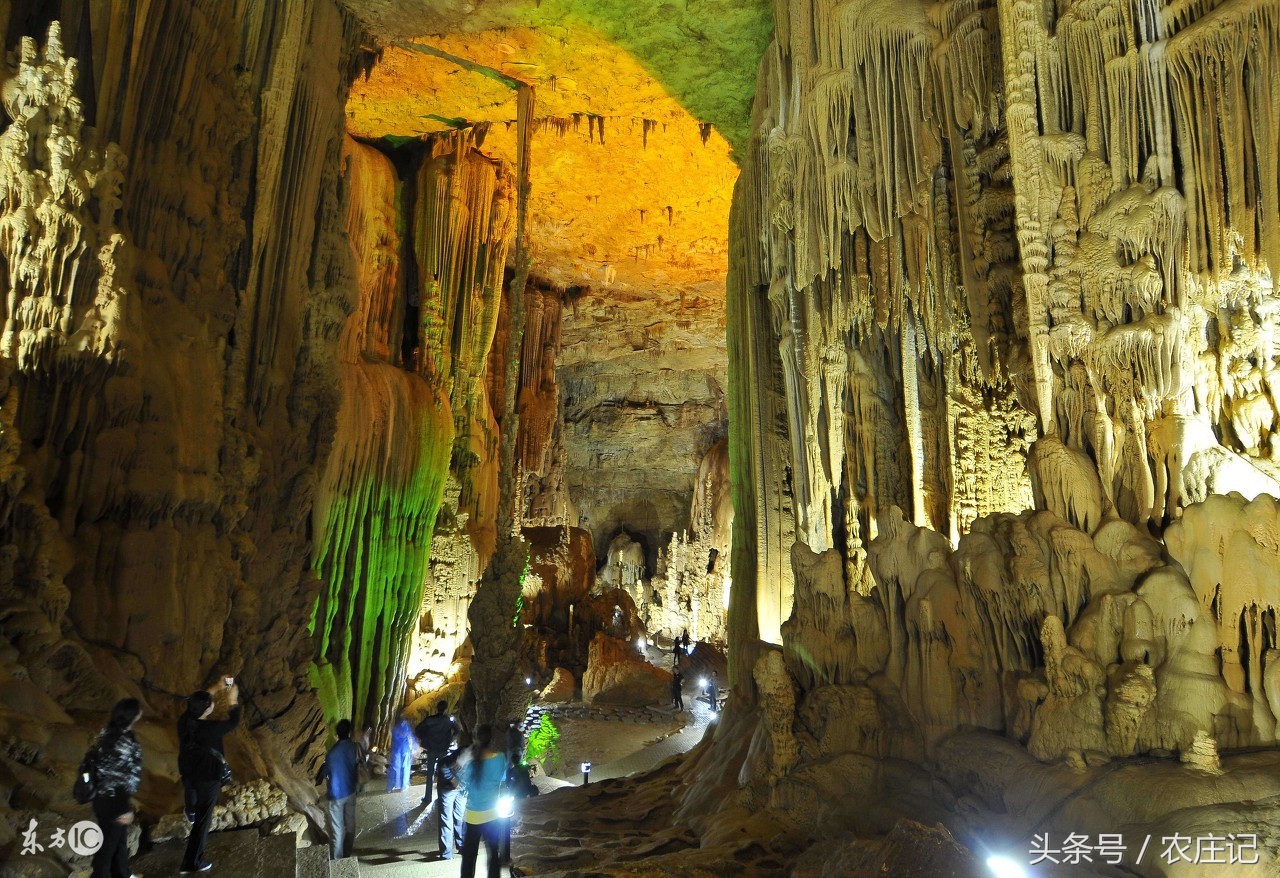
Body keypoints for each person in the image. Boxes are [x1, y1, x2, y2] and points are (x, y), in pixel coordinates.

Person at [178, 679, 241, 874]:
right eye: (210, 704)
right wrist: (232, 698)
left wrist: (218, 686)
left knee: (192, 799)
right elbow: (234, 721)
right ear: (207, 709)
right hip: (208, 778)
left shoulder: (185, 720)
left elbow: (202, 700)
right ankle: (191, 863)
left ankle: (190, 809)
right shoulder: (210, 730)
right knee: (203, 822)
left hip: (189, 773)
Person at [89, 698, 143, 878]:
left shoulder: (107, 734)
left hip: (102, 798)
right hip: (114, 800)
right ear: (133, 715)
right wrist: (124, 808)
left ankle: (123, 873)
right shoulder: (122, 741)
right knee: (107, 848)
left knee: (118, 839)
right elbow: (117, 777)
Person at [460, 724, 507, 878]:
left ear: (476, 738)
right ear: (491, 739)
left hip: (473, 816)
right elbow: (503, 778)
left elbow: (462, 784)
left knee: (469, 856)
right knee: (493, 854)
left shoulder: (471, 763)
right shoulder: (500, 759)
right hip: (493, 815)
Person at [316, 719, 360, 860]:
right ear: (349, 732)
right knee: (351, 825)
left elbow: (326, 774)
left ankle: (338, 861)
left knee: (337, 830)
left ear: (336, 733)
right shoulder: (353, 747)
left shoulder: (331, 754)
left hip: (336, 795)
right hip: (350, 791)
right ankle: (347, 853)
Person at [415, 700, 456, 804]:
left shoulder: (429, 720)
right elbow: (457, 730)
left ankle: (428, 798)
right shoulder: (448, 721)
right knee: (442, 774)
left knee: (430, 774)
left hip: (432, 749)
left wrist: (425, 739)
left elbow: (418, 729)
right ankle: (440, 797)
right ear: (446, 708)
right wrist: (450, 740)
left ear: (437, 708)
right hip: (443, 750)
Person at [435, 744, 466, 859]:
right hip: (447, 787)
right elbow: (443, 765)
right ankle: (446, 853)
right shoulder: (464, 755)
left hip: (462, 788)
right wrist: (454, 781)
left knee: (460, 816)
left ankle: (462, 846)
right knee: (446, 818)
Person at [387, 711, 417, 792]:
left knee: (395, 767)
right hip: (405, 749)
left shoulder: (394, 727)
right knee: (405, 767)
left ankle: (391, 786)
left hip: (396, 749)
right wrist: (414, 747)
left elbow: (393, 739)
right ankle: (403, 786)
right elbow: (410, 737)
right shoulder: (405, 724)